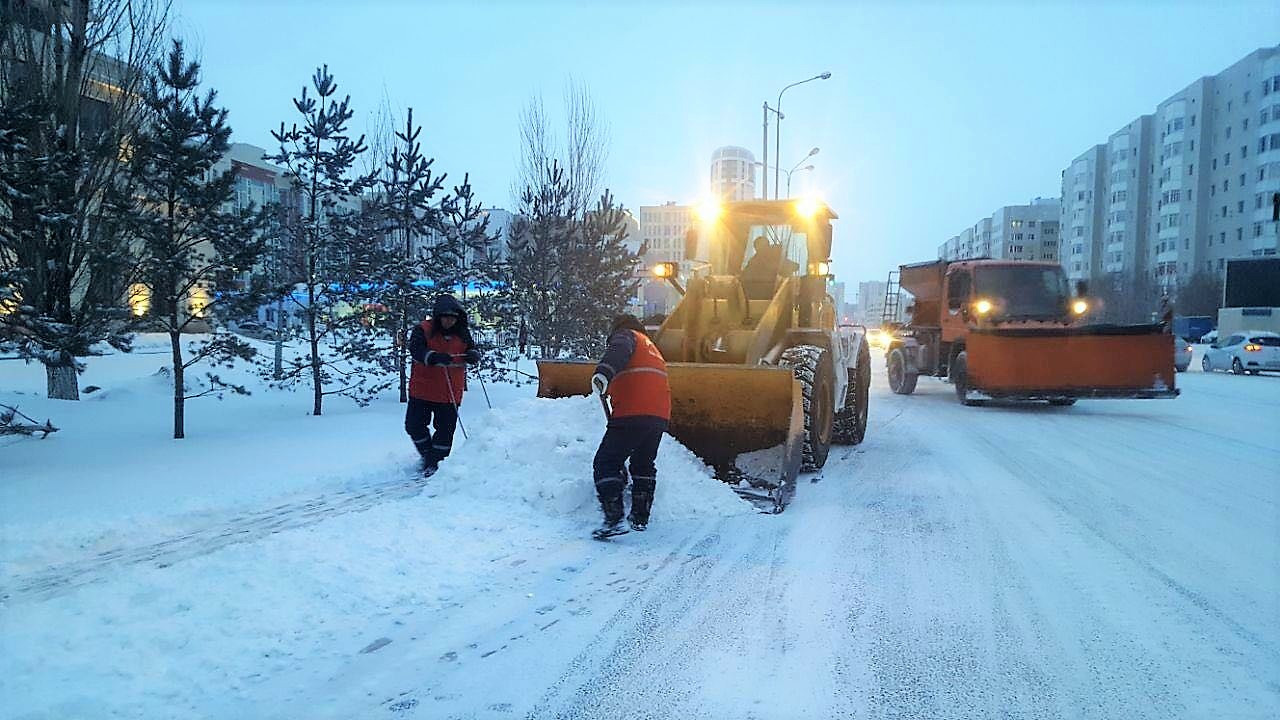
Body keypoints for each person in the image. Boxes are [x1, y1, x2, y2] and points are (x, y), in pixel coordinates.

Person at [589, 314, 671, 539]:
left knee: (606, 461)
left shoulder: (626, 336)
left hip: (633, 411)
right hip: (659, 415)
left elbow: (618, 350)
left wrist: (603, 372)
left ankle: (613, 518)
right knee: (643, 463)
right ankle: (640, 516)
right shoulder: (651, 346)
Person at [406, 294, 481, 476]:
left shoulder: (462, 333)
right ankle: (428, 455)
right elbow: (416, 350)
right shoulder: (422, 329)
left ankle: (436, 463)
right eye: (445, 317)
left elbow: (471, 348)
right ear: (438, 316)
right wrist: (431, 357)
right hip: (422, 389)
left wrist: (473, 354)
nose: (449, 321)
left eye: (453, 318)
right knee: (413, 425)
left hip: (449, 392)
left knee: (445, 431)